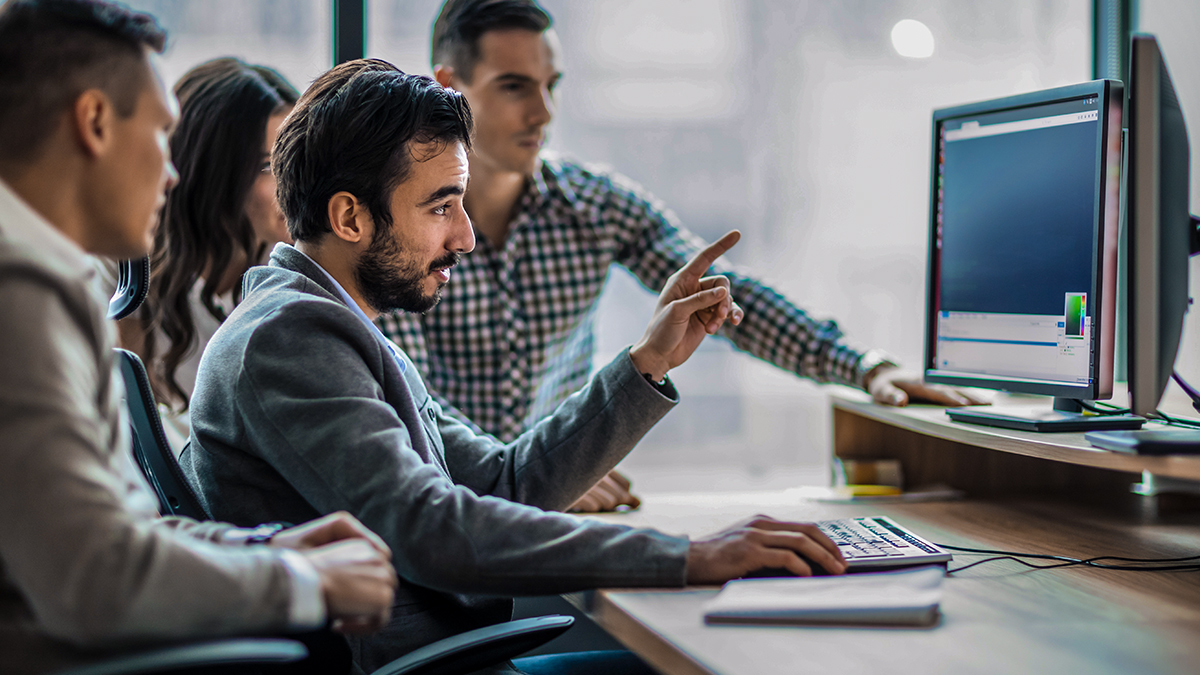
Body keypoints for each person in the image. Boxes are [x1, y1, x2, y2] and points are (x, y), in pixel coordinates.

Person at [182, 58, 848, 674]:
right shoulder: (288, 341)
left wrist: (646, 363)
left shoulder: (333, 326)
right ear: (350, 217)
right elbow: (432, 531)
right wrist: (688, 557)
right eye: (441, 206)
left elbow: (505, 480)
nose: (465, 237)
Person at [375, 0, 987, 511]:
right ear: (449, 87)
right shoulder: (400, 230)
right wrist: (541, 475)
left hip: (551, 504)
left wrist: (866, 366)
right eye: (515, 87)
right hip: (450, 512)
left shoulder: (594, 206)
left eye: (551, 86)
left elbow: (718, 296)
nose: (543, 112)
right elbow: (409, 400)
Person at [0, 2, 396, 672]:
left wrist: (271, 549)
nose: (172, 171)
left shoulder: (53, 282)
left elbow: (121, 530)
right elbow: (93, 577)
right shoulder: (22, 289)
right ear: (94, 122)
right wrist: (303, 584)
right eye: (159, 135)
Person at [120, 57, 300, 452]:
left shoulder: (297, 274)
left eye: (299, 157)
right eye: (270, 166)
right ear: (214, 174)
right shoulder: (134, 288)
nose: (298, 182)